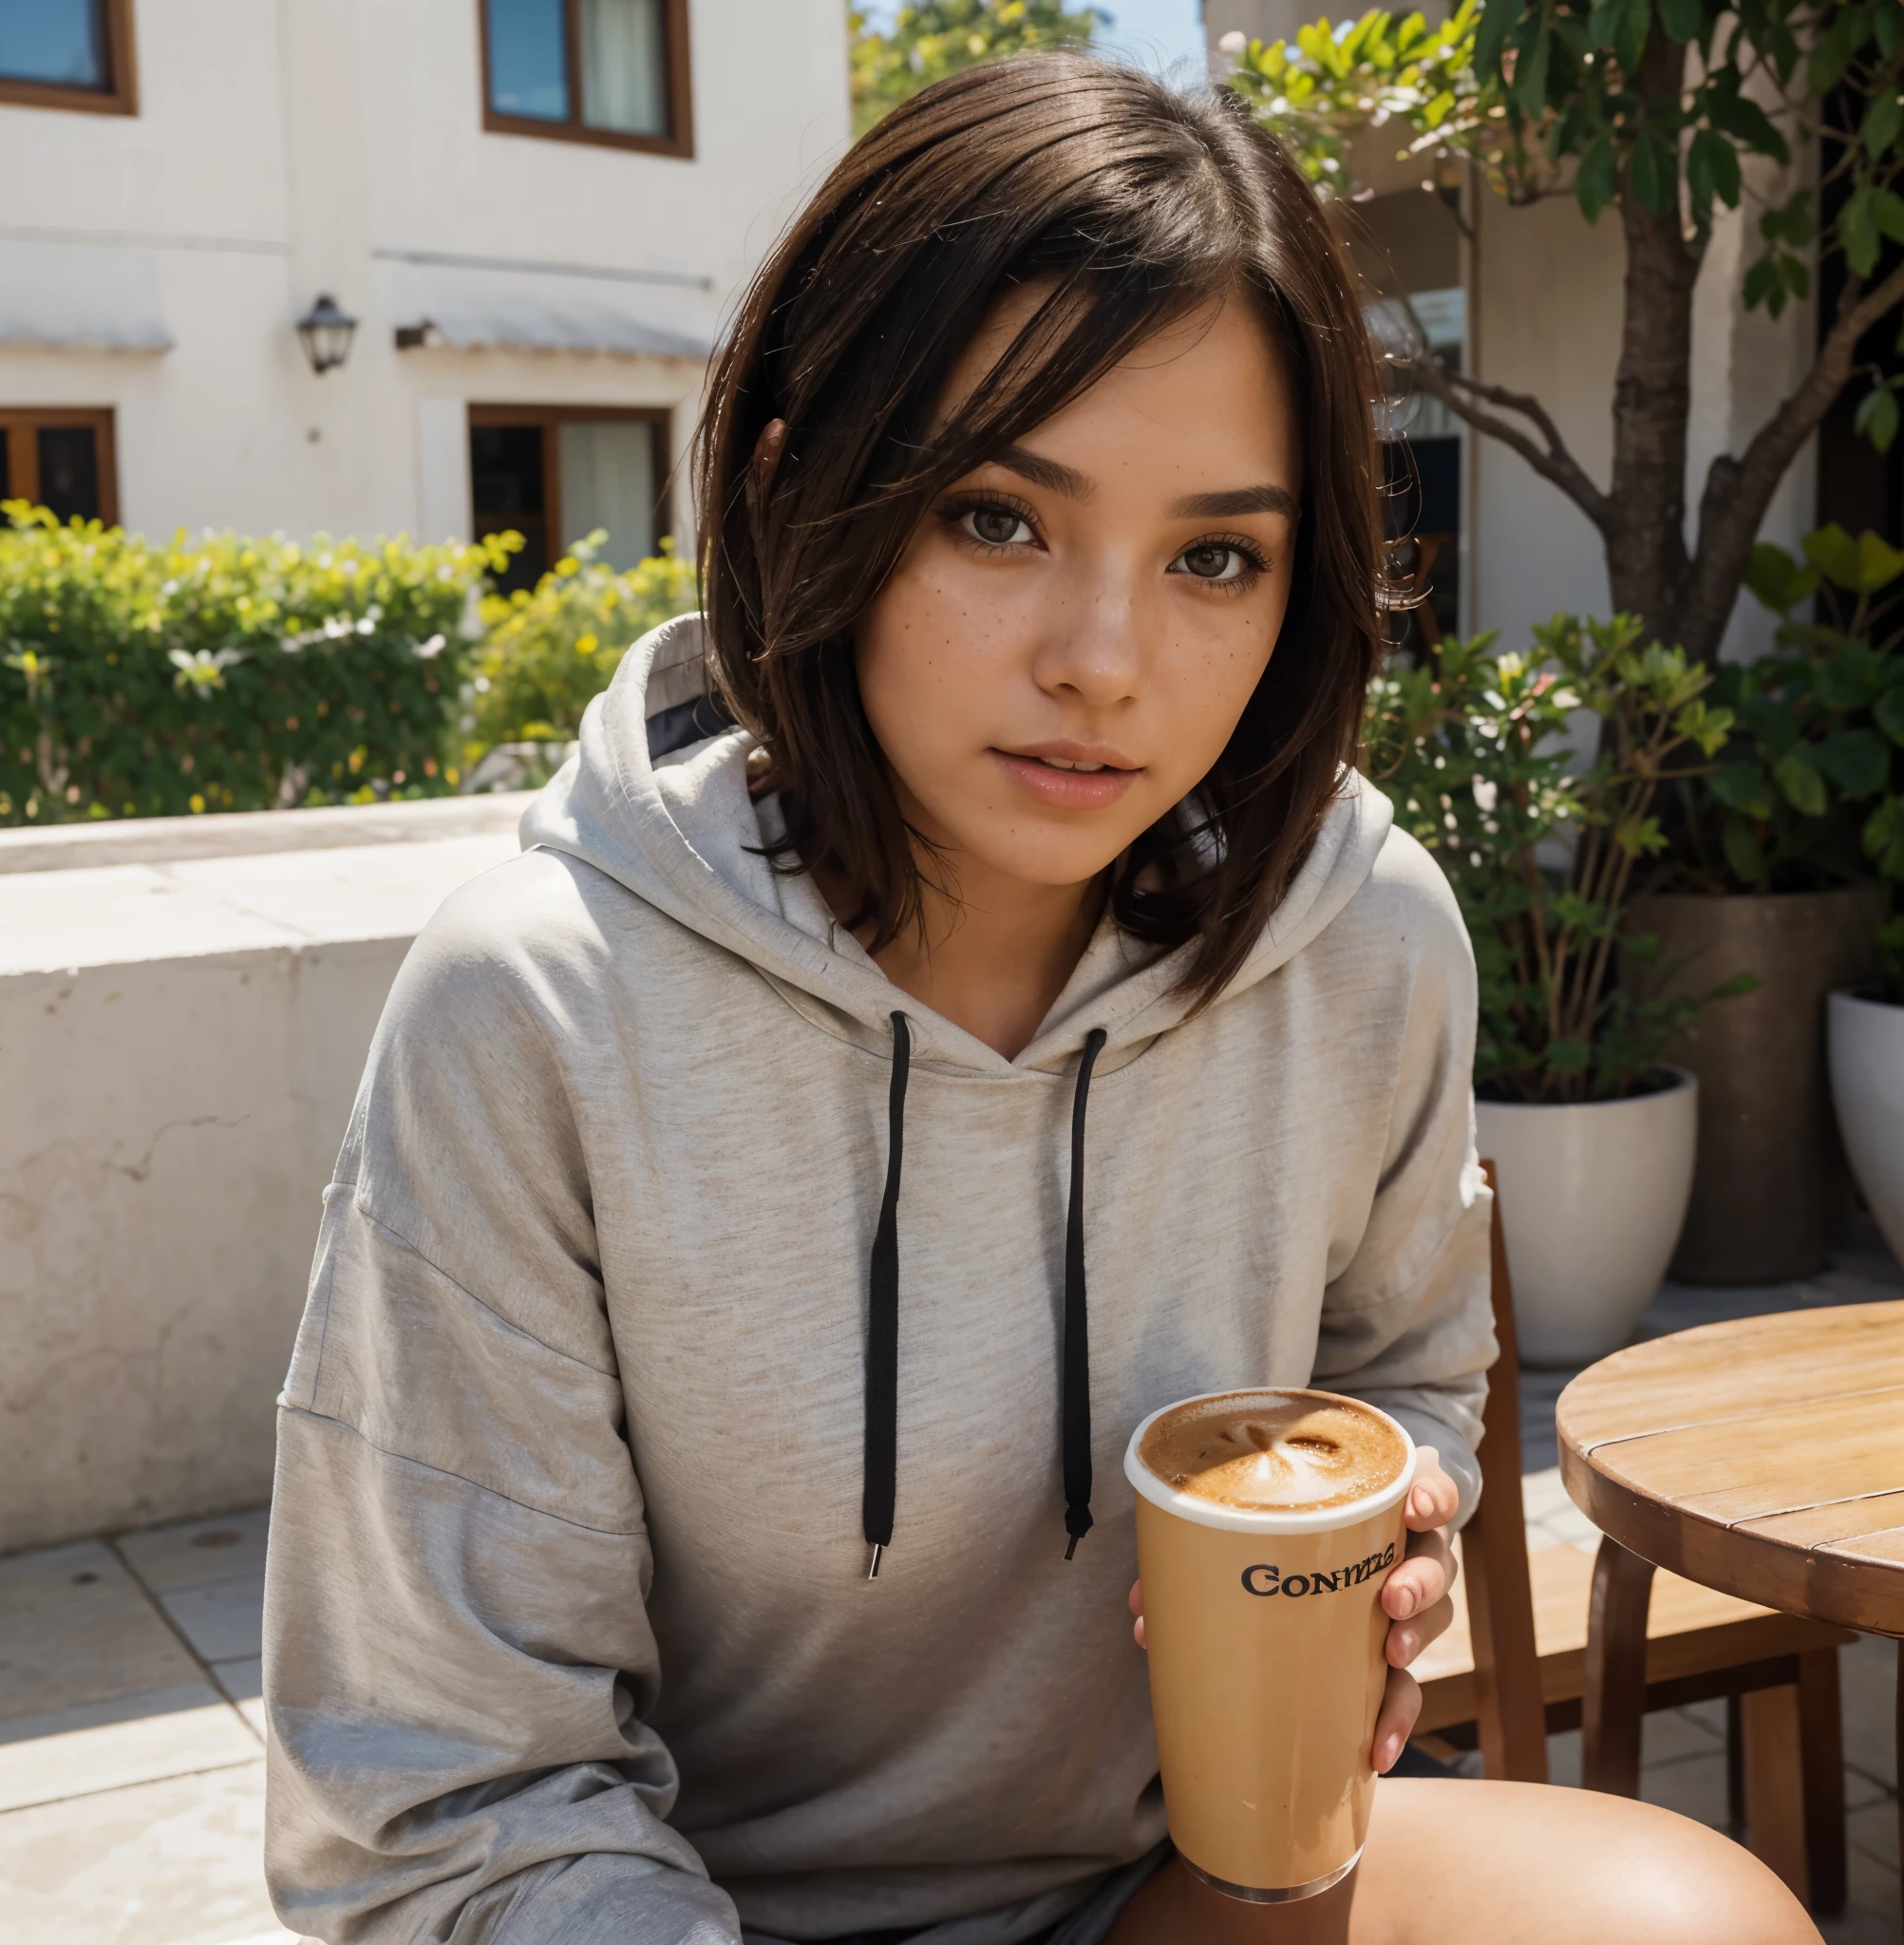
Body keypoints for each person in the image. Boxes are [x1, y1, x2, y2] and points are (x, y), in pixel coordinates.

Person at [261, 54, 1820, 1945]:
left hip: (1168, 1884)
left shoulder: (1362, 944)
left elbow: (1399, 1369)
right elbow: (445, 1790)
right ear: (804, 490)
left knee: (1692, 1917)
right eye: (1000, 518)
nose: (1107, 661)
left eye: (1214, 557)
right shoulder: (539, 1014)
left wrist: (1382, 1527)